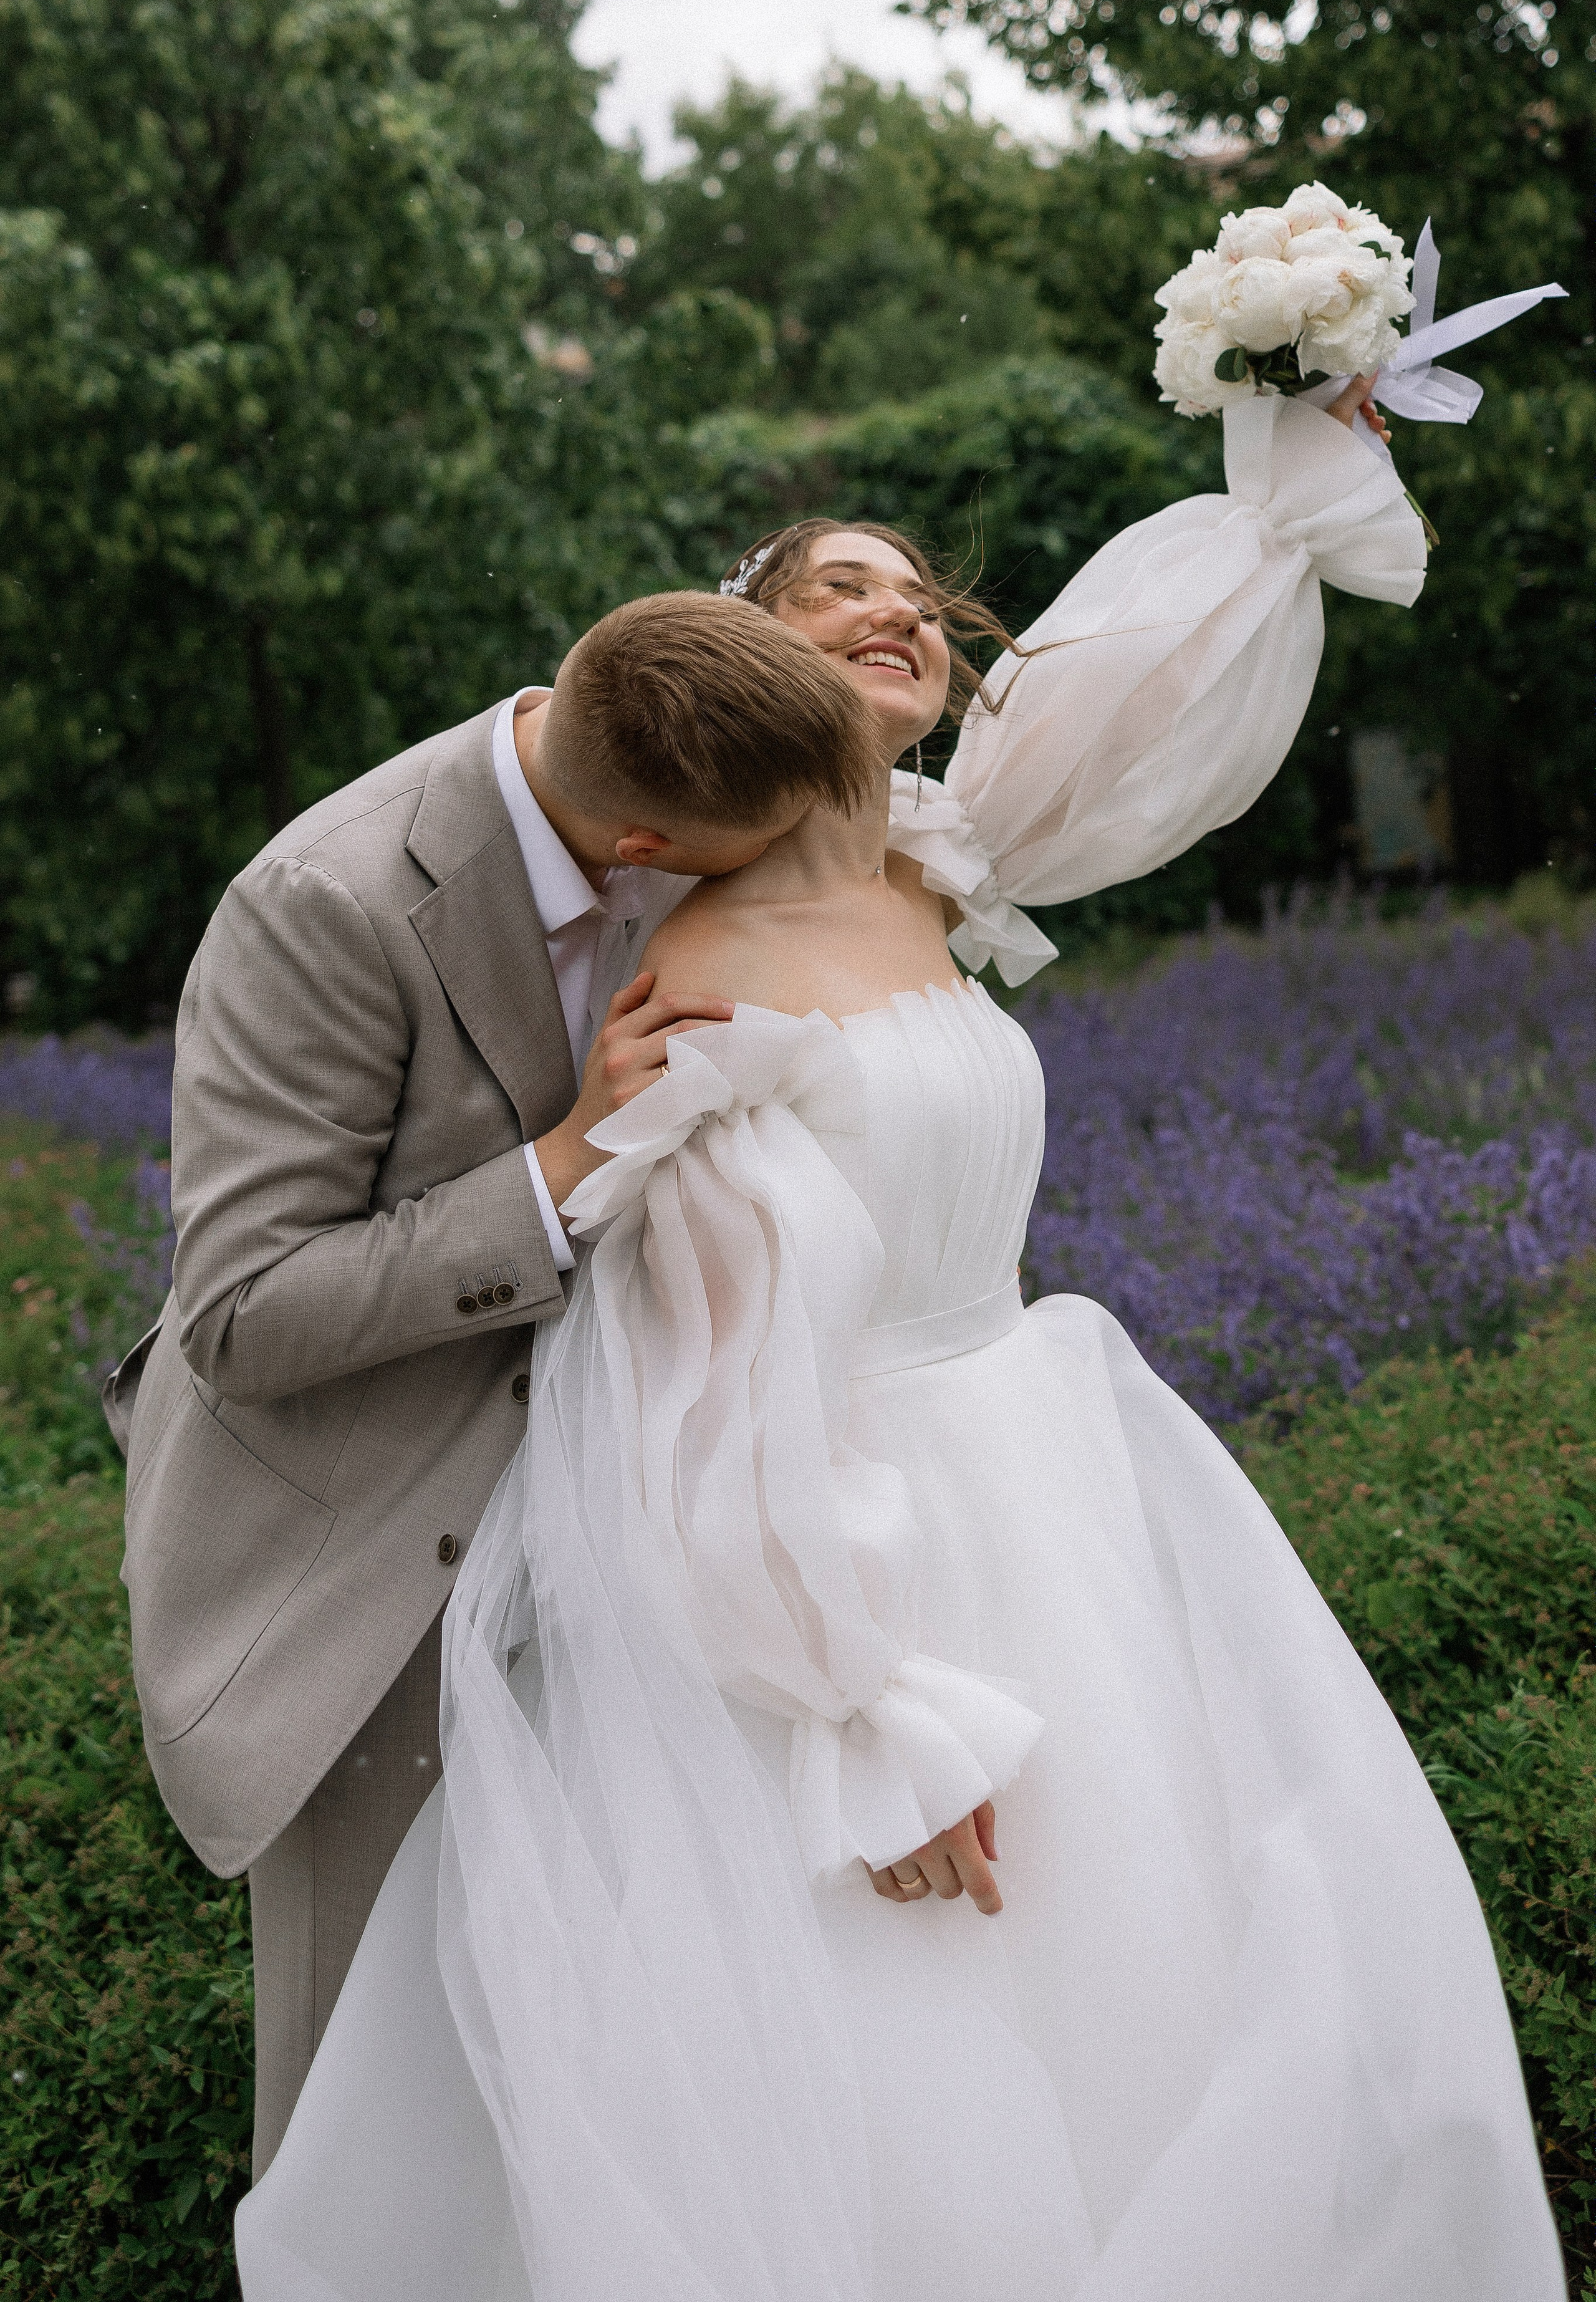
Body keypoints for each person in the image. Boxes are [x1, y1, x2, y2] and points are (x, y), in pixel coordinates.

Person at [234, 380, 1565, 2301]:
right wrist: (864, 1719)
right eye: (835, 590)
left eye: (920, 598)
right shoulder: (692, 992)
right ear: (733, 669)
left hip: (1059, 1506)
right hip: (858, 1571)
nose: (899, 614)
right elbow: (696, 1400)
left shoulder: (938, 869)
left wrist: (1295, 467)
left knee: (1170, 1992)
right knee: (925, 2109)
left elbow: (1152, 699)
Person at [107, 589, 880, 2177]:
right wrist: (572, 1153)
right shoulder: (322, 903)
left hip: (621, 1546)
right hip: (371, 1558)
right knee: (366, 2119)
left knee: (601, 2079)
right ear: (652, 852)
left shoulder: (669, 730)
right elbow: (243, 1311)